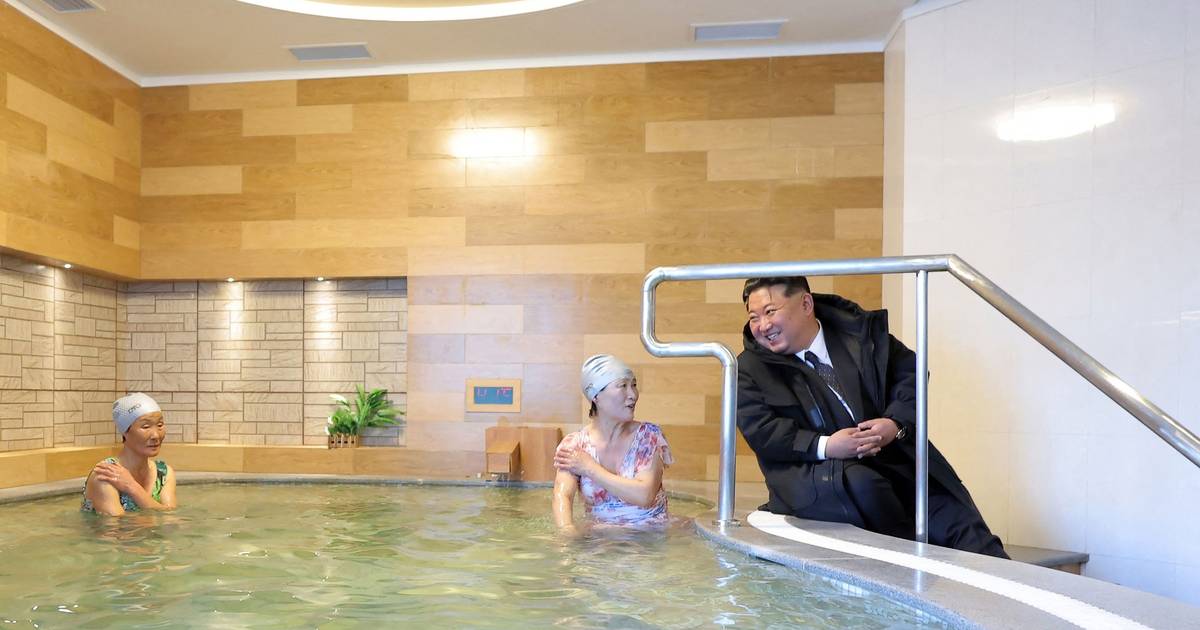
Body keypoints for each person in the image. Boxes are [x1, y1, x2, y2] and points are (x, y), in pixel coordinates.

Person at [737, 276, 1007, 558]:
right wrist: (826, 445)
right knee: (868, 490)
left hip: (896, 460)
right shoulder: (750, 368)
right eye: (753, 317)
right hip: (828, 476)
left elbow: (911, 373)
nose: (762, 326)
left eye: (770, 312)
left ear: (806, 304)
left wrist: (894, 423)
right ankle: (917, 566)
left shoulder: (857, 333)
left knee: (966, 531)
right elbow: (763, 431)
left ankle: (1008, 580)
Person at [552, 354, 674, 531]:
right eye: (622, 386)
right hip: (600, 539)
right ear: (596, 396)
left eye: (634, 385)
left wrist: (589, 468)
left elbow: (645, 495)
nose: (633, 395)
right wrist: (567, 531)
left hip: (648, 538)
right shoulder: (575, 445)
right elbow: (562, 495)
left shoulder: (648, 437)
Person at [81, 393, 177, 516]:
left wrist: (132, 487)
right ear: (125, 431)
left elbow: (171, 517)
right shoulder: (106, 475)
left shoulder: (164, 473)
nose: (156, 435)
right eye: (146, 426)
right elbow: (115, 525)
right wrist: (158, 511)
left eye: (160, 425)